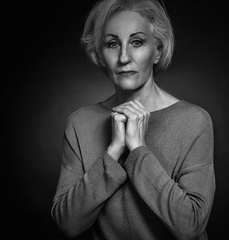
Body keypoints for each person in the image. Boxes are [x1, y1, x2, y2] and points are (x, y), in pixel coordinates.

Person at [51, 0, 215, 239]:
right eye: (112, 44)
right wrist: (113, 152)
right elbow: (67, 223)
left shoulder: (194, 120)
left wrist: (138, 149)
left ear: (157, 50)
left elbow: (190, 226)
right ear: (99, 54)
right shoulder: (81, 123)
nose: (124, 57)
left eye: (137, 42)